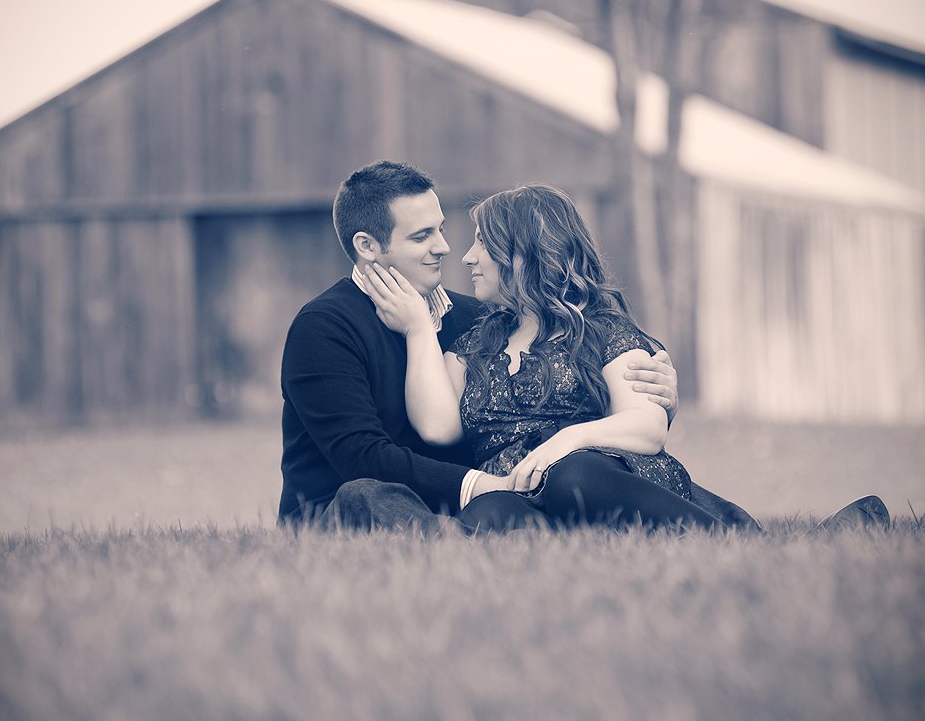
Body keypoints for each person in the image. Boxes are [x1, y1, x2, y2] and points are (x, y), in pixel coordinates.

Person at [362, 184, 888, 533]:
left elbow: (647, 426)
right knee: (488, 511)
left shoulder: (600, 328)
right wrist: (416, 328)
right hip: (522, 494)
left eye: (483, 243)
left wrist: (567, 440)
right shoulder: (479, 341)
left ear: (523, 253)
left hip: (601, 476)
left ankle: (735, 541)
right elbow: (437, 426)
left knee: (572, 476)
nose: (468, 256)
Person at [278, 161, 720, 531]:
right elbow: (364, 457)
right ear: (368, 246)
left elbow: (577, 399)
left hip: (473, 501)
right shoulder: (324, 328)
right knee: (369, 497)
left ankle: (483, 542)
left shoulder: (479, 320)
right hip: (360, 504)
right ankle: (459, 543)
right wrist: (484, 486)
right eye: (421, 237)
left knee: (525, 505)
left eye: (441, 230)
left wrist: (656, 396)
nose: (447, 249)